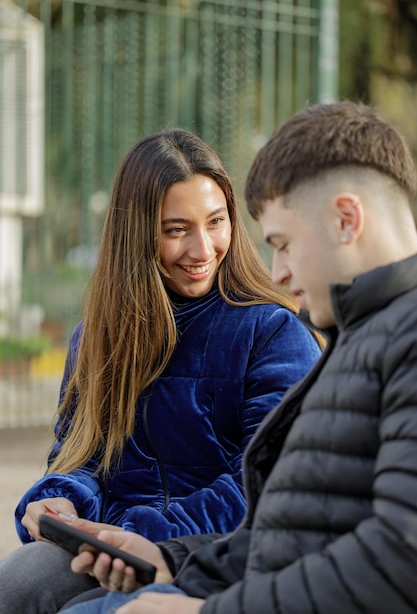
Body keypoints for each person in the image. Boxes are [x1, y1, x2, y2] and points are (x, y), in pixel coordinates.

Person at [62, 99, 417, 614]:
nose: (277, 273)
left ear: (346, 219)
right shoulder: (356, 340)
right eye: (176, 229)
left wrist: (201, 608)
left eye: (284, 243)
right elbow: (287, 532)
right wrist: (172, 559)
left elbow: (397, 561)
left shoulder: (349, 339)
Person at [0, 128, 321, 614]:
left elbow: (268, 482)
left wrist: (144, 533)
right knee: (18, 582)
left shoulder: (272, 332)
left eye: (216, 222)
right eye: (176, 230)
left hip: (212, 554)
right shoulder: (94, 338)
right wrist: (59, 500)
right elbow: (79, 455)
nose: (203, 249)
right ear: (137, 235)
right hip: (109, 548)